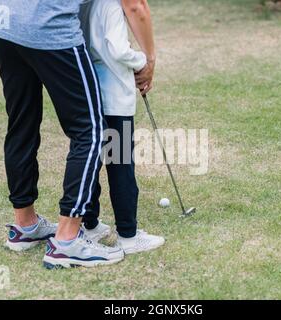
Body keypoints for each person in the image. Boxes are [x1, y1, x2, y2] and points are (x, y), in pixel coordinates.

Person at [0, 0, 124, 269]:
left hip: (5, 23)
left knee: (21, 124)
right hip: (49, 27)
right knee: (92, 130)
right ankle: (66, 241)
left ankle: (25, 226)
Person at [79, 0, 165, 254]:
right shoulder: (112, 5)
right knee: (121, 166)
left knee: (92, 162)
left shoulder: (86, 3)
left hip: (92, 93)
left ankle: (90, 224)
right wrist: (143, 62)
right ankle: (128, 236)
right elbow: (118, 49)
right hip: (114, 98)